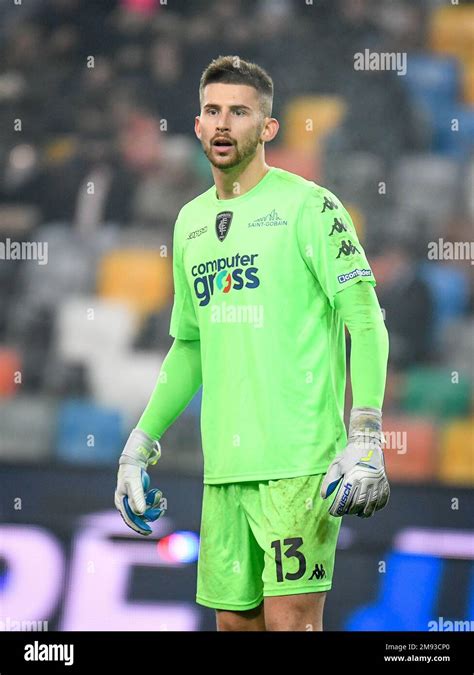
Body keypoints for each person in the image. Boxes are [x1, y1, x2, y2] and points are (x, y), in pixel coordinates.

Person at [114, 55, 390, 631]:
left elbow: (365, 321)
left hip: (300, 466)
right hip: (225, 471)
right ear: (196, 125)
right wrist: (140, 444)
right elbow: (189, 346)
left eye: (239, 112)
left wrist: (365, 433)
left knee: (292, 624)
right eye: (212, 110)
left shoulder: (310, 207)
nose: (222, 123)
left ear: (267, 128)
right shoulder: (189, 223)